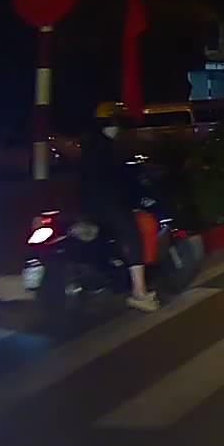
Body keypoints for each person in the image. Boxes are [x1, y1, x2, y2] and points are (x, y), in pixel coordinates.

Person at [80, 104, 160, 312]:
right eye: (115, 122)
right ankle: (139, 292)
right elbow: (120, 178)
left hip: (92, 205)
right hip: (107, 204)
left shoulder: (93, 144)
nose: (117, 127)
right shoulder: (106, 148)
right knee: (133, 236)